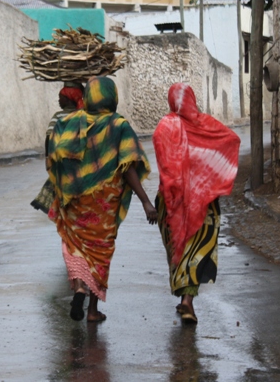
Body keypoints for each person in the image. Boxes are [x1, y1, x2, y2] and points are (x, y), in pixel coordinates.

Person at [47, 76, 157, 322]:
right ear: (112, 96)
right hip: (104, 205)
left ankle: (78, 287)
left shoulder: (69, 122)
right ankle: (93, 310)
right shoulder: (118, 126)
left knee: (74, 245)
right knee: (100, 252)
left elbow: (54, 155)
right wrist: (145, 201)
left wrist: (62, 188)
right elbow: (128, 166)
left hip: (74, 201)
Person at [152, 83, 240, 324]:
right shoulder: (206, 125)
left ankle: (185, 299)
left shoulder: (163, 128)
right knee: (197, 249)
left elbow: (165, 166)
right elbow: (231, 140)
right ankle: (187, 301)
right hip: (203, 202)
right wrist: (211, 180)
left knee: (178, 249)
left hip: (171, 201)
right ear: (192, 100)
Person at [31, 82, 84, 213]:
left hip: (62, 160)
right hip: (80, 161)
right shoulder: (84, 115)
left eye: (61, 97)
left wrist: (48, 157)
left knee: (61, 185)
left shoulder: (58, 116)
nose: (59, 100)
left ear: (68, 99)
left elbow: (49, 137)